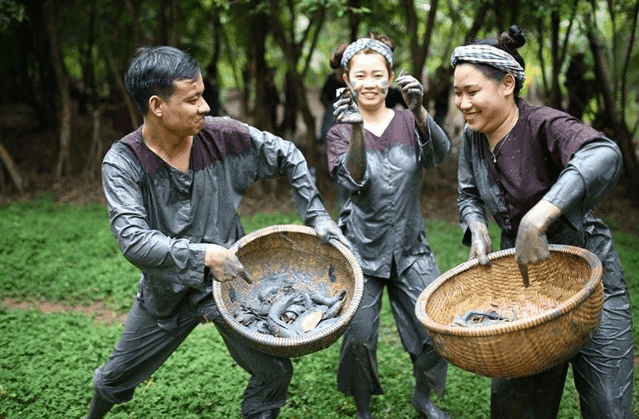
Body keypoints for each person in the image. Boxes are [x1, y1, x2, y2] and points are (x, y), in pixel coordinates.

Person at [84, 46, 348, 419]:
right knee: (112, 379)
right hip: (166, 291)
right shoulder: (124, 162)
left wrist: (317, 214)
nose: (205, 107)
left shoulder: (222, 136)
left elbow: (288, 154)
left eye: (203, 95)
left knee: (274, 371)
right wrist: (205, 256)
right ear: (157, 105)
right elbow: (134, 240)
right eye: (193, 100)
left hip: (230, 285)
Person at [451, 25, 634, 419]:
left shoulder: (545, 124)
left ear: (506, 83)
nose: (463, 104)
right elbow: (468, 193)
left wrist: (540, 215)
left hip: (592, 282)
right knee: (517, 406)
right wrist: (478, 227)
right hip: (525, 288)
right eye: (458, 93)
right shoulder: (473, 137)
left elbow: (603, 153)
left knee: (608, 407)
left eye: (471, 92)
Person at [326, 33, 452, 419]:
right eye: (360, 75)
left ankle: (423, 397)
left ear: (391, 77)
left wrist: (419, 111)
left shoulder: (406, 121)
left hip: (411, 248)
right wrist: (357, 131)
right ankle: (363, 410)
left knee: (434, 329)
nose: (369, 83)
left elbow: (439, 155)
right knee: (359, 339)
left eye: (377, 75)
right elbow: (355, 183)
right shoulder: (337, 132)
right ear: (346, 80)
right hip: (362, 249)